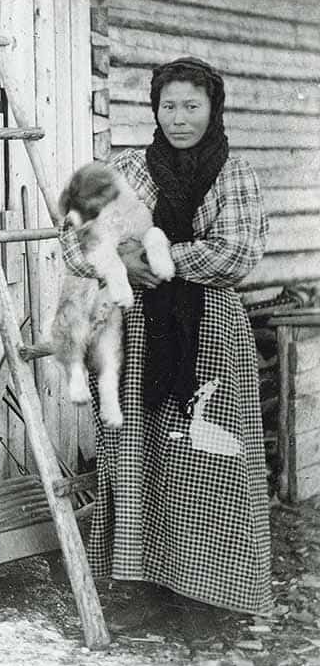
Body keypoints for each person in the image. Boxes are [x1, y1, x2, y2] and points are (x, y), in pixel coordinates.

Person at [59, 57, 272, 625]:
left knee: (210, 457)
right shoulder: (128, 168)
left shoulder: (236, 174)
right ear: (154, 109)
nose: (179, 119)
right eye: (168, 106)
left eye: (191, 106)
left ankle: (209, 594)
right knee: (141, 454)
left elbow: (236, 253)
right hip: (137, 333)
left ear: (213, 109)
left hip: (211, 334)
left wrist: (156, 258)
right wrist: (118, 259)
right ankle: (146, 585)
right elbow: (75, 241)